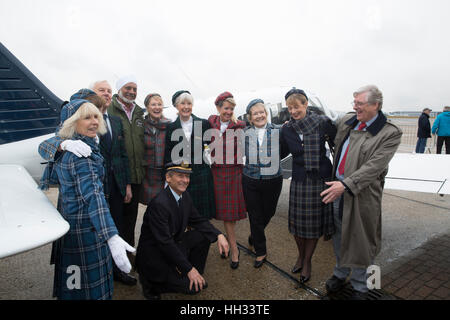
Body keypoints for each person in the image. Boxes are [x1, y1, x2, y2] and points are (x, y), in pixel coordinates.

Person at [38, 87, 137, 286]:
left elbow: (122, 156)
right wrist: (63, 144)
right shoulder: (77, 147)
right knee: (84, 276)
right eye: (89, 115)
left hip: (111, 188)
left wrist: (125, 184)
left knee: (81, 276)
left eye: (97, 115)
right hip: (85, 207)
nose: (95, 119)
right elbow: (45, 145)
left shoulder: (110, 124)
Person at [321, 85, 402, 300]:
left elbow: (374, 167)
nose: (354, 107)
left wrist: (346, 185)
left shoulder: (390, 133)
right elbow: (327, 120)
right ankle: (340, 272)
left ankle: (362, 286)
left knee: (362, 241)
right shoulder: (349, 120)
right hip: (337, 189)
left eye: (359, 104)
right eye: (353, 103)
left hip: (362, 194)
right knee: (339, 234)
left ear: (375, 105)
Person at [135, 162, 229, 300]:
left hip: (172, 245)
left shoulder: (184, 196)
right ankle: (150, 283)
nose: (185, 181)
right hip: (155, 256)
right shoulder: (160, 204)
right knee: (192, 290)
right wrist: (189, 269)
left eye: (187, 177)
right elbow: (164, 243)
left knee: (203, 235)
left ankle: (192, 274)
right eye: (180, 176)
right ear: (168, 178)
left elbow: (198, 220)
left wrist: (219, 234)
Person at [279, 88, 336, 284]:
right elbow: (280, 151)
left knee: (312, 226)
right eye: (289, 108)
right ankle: (300, 255)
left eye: (296, 107)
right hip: (300, 179)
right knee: (296, 225)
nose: (293, 111)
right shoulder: (287, 128)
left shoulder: (322, 123)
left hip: (319, 179)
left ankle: (307, 261)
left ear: (305, 104)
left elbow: (337, 143)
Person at [242, 99, 284, 268]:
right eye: (255, 113)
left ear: (266, 114)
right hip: (250, 180)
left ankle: (255, 234)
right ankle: (261, 251)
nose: (259, 115)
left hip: (273, 180)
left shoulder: (279, 130)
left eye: (261, 112)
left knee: (269, 212)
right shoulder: (244, 133)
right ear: (250, 118)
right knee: (255, 215)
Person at [208, 91, 247, 269]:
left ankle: (234, 250)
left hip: (233, 174)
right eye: (225, 108)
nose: (228, 111)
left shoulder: (239, 126)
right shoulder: (210, 123)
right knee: (219, 214)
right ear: (218, 108)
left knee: (229, 217)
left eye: (231, 109)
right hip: (216, 173)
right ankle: (223, 242)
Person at [164, 90, 216, 219]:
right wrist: (168, 177)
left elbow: (212, 146)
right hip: (180, 175)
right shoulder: (171, 128)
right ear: (177, 106)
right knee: (183, 215)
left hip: (201, 174)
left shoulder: (203, 124)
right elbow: (169, 154)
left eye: (189, 103)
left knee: (202, 216)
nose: (186, 107)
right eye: (182, 103)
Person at [107, 75, 145, 250]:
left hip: (136, 176)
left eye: (134, 89)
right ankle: (114, 260)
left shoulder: (139, 113)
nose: (131, 92)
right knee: (116, 219)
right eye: (127, 88)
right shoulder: (109, 110)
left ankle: (128, 257)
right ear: (119, 90)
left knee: (130, 220)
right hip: (117, 177)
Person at [140, 93, 171, 204]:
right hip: (147, 173)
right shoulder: (141, 125)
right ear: (147, 107)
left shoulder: (169, 125)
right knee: (150, 205)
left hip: (164, 172)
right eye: (153, 104)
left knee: (163, 204)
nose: (157, 107)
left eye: (159, 104)